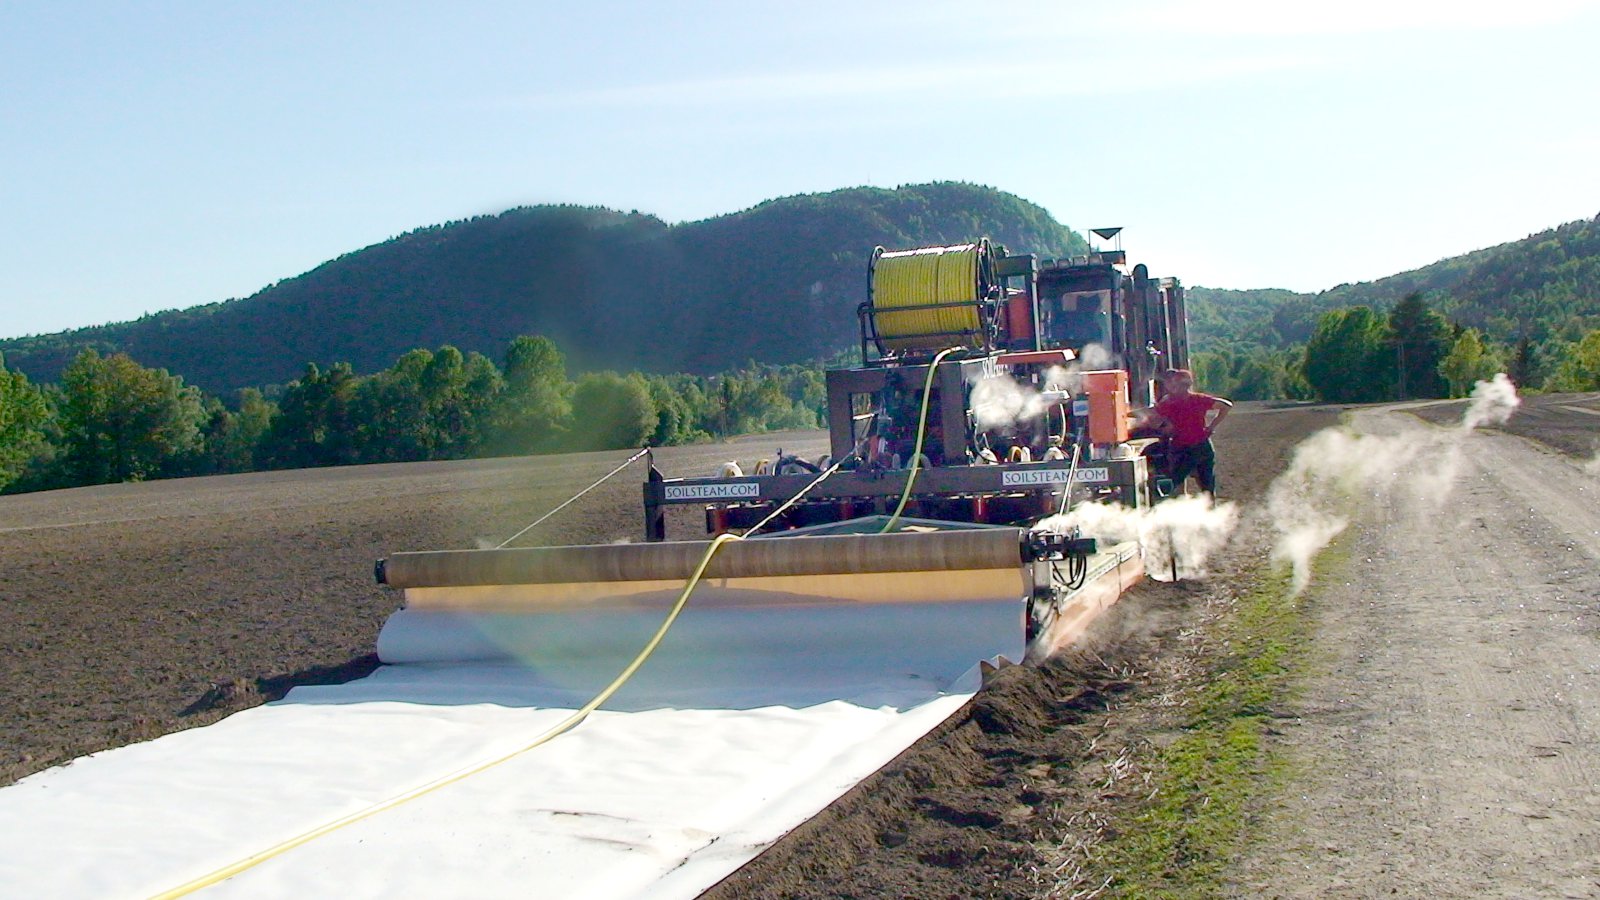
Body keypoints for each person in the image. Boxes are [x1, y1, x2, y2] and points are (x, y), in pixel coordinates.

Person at [1144, 368, 1232, 496]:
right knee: (1207, 488)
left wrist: (1125, 413)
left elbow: (1152, 413)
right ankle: (1210, 512)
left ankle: (1184, 510)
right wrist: (1212, 427)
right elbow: (1226, 405)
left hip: (1181, 448)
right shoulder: (1198, 399)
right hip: (1202, 446)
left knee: (1178, 485)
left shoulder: (1170, 402)